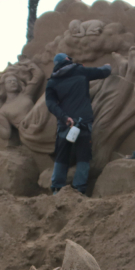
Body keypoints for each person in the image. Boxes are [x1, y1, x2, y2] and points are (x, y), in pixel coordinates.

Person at [44, 52, 111, 194]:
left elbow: (50, 104)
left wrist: (64, 117)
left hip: (65, 123)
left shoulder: (53, 81)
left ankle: (57, 188)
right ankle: (79, 189)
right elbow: (102, 72)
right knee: (83, 156)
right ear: (68, 60)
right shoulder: (80, 71)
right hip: (83, 122)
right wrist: (108, 66)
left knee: (62, 155)